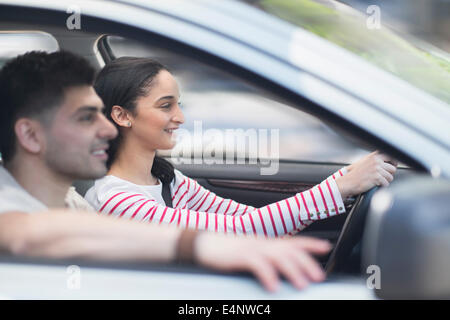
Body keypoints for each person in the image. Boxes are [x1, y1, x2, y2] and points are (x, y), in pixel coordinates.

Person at [0, 50, 347, 292]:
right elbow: (27, 232)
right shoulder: (15, 205)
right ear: (30, 135)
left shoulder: (76, 203)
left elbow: (247, 222)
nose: (105, 129)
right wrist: (201, 244)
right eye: (86, 118)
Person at [85, 57, 398, 237]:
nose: (179, 117)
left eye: (178, 104)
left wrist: (345, 178)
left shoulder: (168, 180)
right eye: (165, 106)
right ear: (122, 116)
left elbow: (253, 217)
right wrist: (342, 185)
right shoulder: (117, 201)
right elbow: (244, 230)